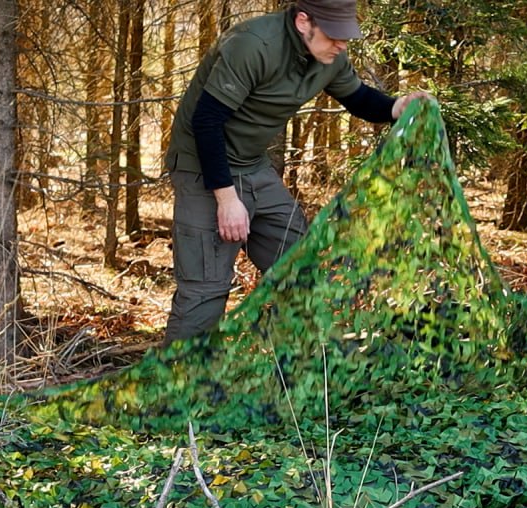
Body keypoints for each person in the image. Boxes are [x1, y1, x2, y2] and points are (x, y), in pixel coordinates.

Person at [161, 0, 429, 343]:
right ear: (304, 22)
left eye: (345, 36)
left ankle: (291, 360)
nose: (342, 44)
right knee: (204, 292)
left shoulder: (329, 55)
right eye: (334, 35)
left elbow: (358, 98)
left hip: (252, 164)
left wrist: (397, 107)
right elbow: (207, 121)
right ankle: (180, 375)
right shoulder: (253, 45)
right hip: (202, 166)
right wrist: (227, 200)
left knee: (301, 265)